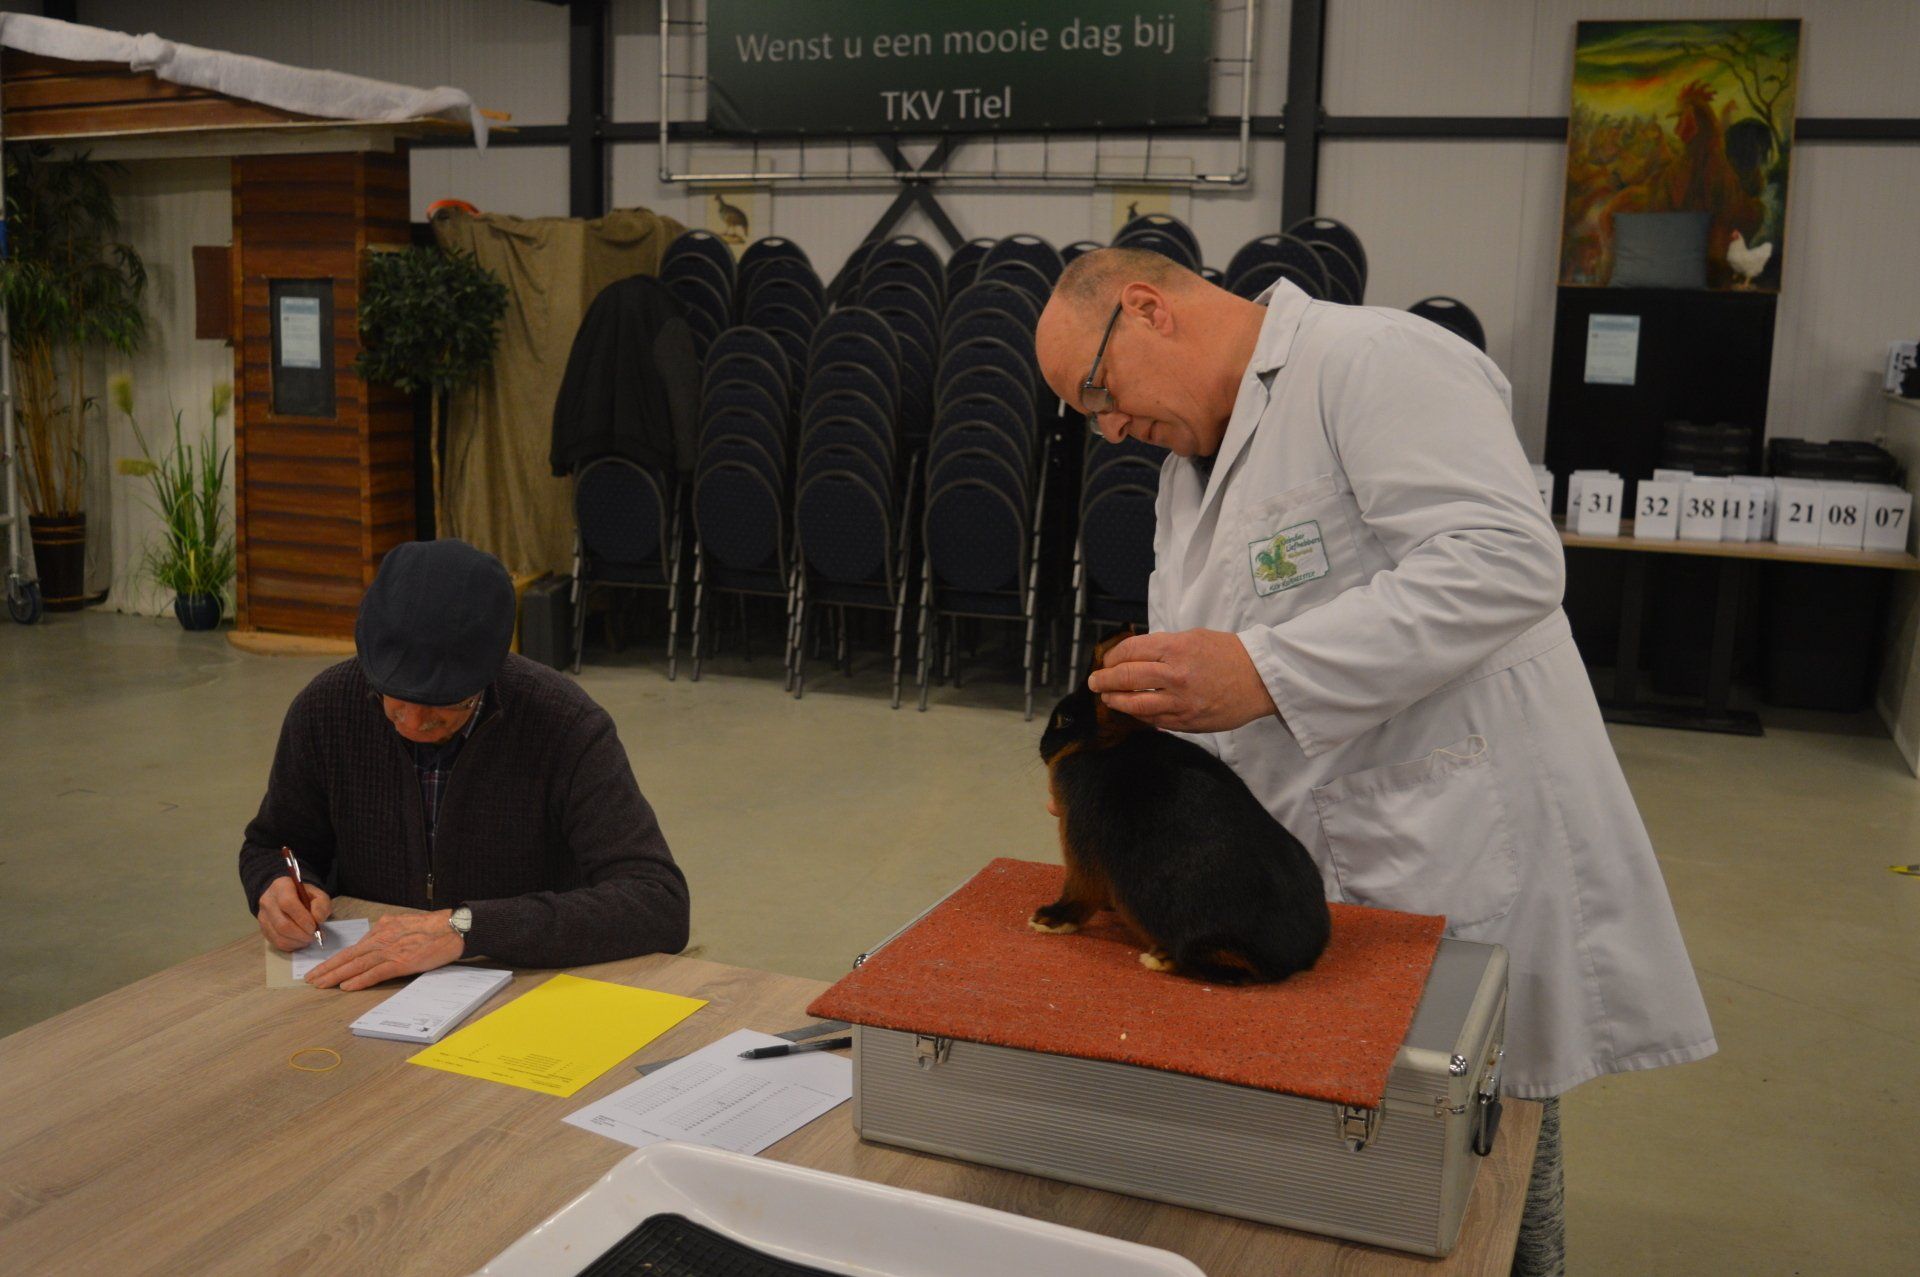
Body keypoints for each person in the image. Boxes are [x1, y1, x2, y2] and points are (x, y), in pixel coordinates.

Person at [1034, 248, 1716, 1275]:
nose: (1112, 428)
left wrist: (1264, 671)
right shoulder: (1187, 472)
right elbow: (1230, 655)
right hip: (1312, 861)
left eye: (1100, 391)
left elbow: (1506, 559)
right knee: (1371, 1184)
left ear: (1146, 309)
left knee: (1487, 1165)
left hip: (1451, 838)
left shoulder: (1373, 361)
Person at [239, 538, 690, 991]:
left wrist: (466, 928)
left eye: (444, 701)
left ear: (488, 672)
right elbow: (273, 845)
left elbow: (658, 901)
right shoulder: (326, 710)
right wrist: (276, 886)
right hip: (366, 981)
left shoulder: (565, 726)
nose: (413, 722)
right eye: (396, 698)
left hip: (524, 983)